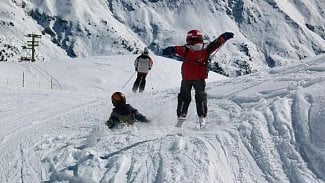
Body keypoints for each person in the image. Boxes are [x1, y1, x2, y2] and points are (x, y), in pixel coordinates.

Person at [162, 30, 234, 128]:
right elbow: (217, 43)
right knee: (201, 97)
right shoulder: (207, 48)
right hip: (200, 78)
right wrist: (224, 36)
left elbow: (177, 49)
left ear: (189, 39)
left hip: (187, 78)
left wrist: (170, 50)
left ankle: (181, 116)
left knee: (184, 97)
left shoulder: (186, 49)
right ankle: (202, 117)